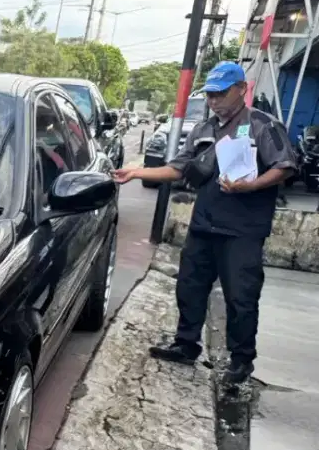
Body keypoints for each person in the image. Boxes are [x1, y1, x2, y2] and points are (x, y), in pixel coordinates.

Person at [113, 61, 297, 385]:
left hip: (242, 231)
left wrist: (251, 185)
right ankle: (185, 345)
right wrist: (136, 172)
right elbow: (180, 169)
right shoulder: (203, 129)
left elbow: (284, 167)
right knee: (190, 287)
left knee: (241, 298)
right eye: (210, 94)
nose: (214, 101)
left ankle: (241, 363)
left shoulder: (262, 125)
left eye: (221, 94)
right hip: (204, 225)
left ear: (242, 89)